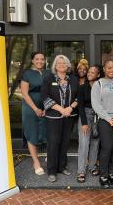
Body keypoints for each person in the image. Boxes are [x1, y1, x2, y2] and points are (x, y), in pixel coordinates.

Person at [41, 55, 78, 183]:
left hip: (69, 116)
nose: (61, 65)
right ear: (55, 66)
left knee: (65, 142)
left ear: (68, 66)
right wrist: (61, 109)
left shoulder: (73, 79)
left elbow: (79, 96)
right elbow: (45, 97)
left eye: (64, 63)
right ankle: (51, 170)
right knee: (53, 143)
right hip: (54, 116)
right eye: (59, 63)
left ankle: (62, 167)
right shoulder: (48, 78)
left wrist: (70, 108)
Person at [91, 60, 113, 188]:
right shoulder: (98, 84)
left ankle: (111, 173)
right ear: (104, 69)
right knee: (107, 147)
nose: (111, 70)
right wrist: (110, 120)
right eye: (109, 68)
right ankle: (103, 175)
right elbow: (96, 105)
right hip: (105, 121)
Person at [21, 51, 48, 175]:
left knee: (47, 131)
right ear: (32, 60)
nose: (40, 61)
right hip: (30, 107)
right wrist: (35, 108)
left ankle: (50, 155)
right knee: (32, 132)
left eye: (42, 59)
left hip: (46, 106)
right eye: (37, 59)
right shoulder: (27, 73)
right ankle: (36, 161)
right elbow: (24, 93)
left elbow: (51, 91)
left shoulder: (49, 73)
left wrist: (47, 107)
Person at [76, 65, 101, 183]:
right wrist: (84, 123)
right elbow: (80, 106)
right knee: (84, 143)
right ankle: (81, 170)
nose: (89, 74)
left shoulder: (101, 87)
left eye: (93, 72)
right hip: (85, 115)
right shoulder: (82, 88)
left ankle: (92, 166)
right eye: (89, 72)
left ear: (98, 75)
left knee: (95, 142)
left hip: (98, 116)